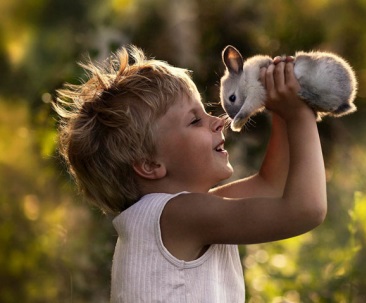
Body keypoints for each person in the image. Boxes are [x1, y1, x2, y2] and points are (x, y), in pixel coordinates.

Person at [54, 45, 327, 303]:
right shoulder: (177, 216)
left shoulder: (181, 213)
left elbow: (272, 186)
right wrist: (298, 116)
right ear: (150, 165)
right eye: (195, 120)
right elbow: (306, 210)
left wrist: (278, 106)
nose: (218, 120)